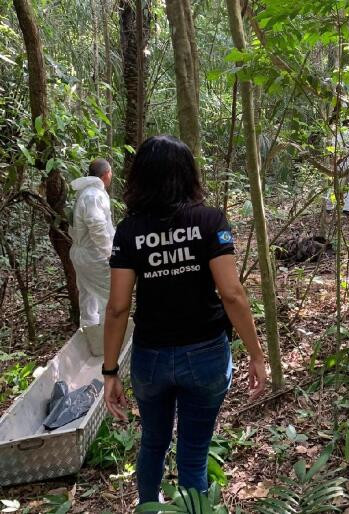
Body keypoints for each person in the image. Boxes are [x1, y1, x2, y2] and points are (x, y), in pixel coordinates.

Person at [102, 135, 267, 504]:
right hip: (206, 353)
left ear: (139, 177)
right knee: (193, 452)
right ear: (188, 174)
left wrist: (109, 370)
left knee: (153, 444)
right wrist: (256, 354)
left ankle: (148, 508)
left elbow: (117, 307)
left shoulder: (129, 231)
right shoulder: (209, 221)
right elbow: (232, 293)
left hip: (152, 356)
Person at [69, 158, 114, 327]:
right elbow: (97, 228)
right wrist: (110, 254)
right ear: (106, 174)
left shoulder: (86, 193)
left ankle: (91, 335)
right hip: (93, 254)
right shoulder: (93, 195)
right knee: (109, 296)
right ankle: (107, 339)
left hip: (83, 253)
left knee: (88, 295)